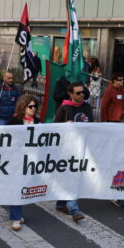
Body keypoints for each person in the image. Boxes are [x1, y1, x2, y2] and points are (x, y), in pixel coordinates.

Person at [52, 82, 90, 221]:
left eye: (83, 92)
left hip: (82, 147)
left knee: (74, 178)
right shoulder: (64, 108)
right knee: (71, 179)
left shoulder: (86, 107)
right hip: (67, 150)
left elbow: (91, 125)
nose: (82, 95)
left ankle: (61, 203)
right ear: (70, 93)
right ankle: (74, 210)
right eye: (78, 93)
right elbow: (54, 129)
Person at [6, 95, 41, 230]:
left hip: (30, 161)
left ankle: (17, 213)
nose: (33, 109)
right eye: (30, 106)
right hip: (15, 160)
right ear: (23, 107)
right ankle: (16, 217)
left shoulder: (37, 122)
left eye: (35, 106)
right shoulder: (14, 121)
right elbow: (4, 137)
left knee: (23, 188)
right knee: (17, 187)